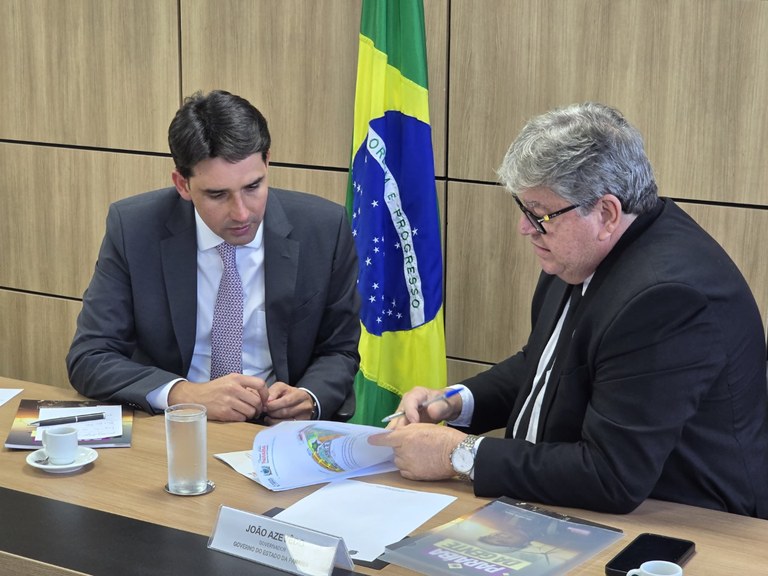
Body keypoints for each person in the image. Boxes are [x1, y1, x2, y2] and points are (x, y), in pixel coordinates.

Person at [370, 102, 768, 518]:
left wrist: (461, 455)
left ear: (606, 213)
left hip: (688, 523)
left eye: (539, 214)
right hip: (567, 502)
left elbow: (611, 475)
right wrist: (453, 402)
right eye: (523, 209)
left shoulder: (668, 298)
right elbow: (542, 365)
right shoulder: (580, 250)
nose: (525, 228)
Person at [67, 90, 360, 423]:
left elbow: (339, 350)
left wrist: (308, 397)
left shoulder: (323, 229)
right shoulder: (134, 229)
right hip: (177, 426)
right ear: (182, 184)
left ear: (267, 162)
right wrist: (183, 394)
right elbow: (90, 356)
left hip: (277, 433)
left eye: (253, 186)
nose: (241, 213)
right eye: (218, 194)